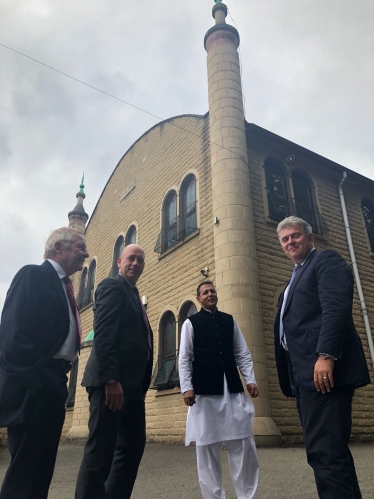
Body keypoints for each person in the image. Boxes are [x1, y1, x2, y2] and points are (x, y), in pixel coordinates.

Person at [274, 216, 371, 499]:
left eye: (296, 236)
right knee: (328, 453)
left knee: (326, 454)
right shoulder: (294, 277)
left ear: (310, 237)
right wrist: (291, 380)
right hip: (306, 377)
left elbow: (336, 309)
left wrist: (326, 354)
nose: (290, 241)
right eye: (285, 239)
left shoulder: (326, 261)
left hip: (325, 372)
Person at [0, 227, 89, 499]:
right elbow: (13, 336)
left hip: (54, 383)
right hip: (36, 386)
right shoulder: (34, 275)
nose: (85, 253)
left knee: (40, 471)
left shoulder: (66, 287)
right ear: (58, 248)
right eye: (79, 247)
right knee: (25, 474)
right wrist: (41, 382)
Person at [75, 244, 153, 499]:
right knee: (100, 453)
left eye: (141, 260)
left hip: (132, 390)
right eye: (131, 258)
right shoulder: (112, 286)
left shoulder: (133, 293)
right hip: (111, 386)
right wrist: (110, 379)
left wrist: (141, 387)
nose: (136, 264)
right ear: (119, 261)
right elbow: (104, 334)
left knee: (131, 448)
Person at [179, 281, 259, 499]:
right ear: (199, 299)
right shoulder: (190, 323)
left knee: (242, 447)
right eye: (205, 292)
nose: (210, 294)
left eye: (212, 291)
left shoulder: (229, 321)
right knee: (207, 451)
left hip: (232, 391)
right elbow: (184, 357)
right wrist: (186, 387)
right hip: (204, 394)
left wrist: (250, 379)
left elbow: (242, 352)